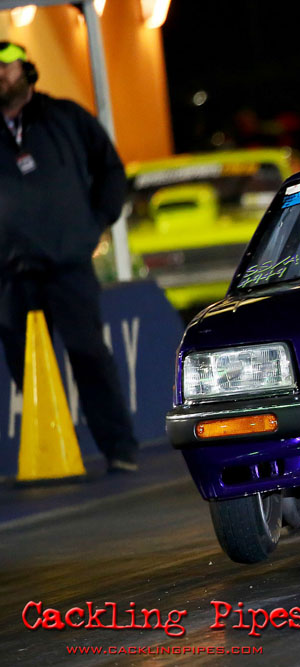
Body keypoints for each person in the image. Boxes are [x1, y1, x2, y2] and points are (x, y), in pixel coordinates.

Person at [0, 42, 139, 473]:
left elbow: (111, 169)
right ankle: (52, 452)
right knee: (25, 364)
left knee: (88, 353)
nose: (0, 74)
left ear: (27, 69)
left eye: (6, 64)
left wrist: (94, 223)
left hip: (68, 265)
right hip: (11, 273)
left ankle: (120, 448)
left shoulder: (65, 117)